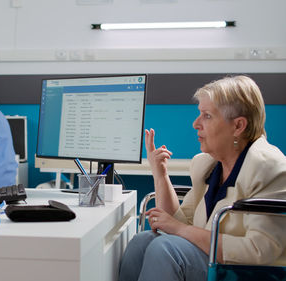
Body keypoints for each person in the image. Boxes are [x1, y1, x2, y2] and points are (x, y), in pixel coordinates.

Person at [118, 76, 286, 281]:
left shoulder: (269, 168)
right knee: (142, 241)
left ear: (238, 126)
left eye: (207, 116)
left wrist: (179, 228)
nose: (196, 123)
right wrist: (160, 174)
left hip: (248, 272)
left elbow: (259, 250)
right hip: (209, 260)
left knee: (165, 249)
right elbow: (181, 223)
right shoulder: (207, 165)